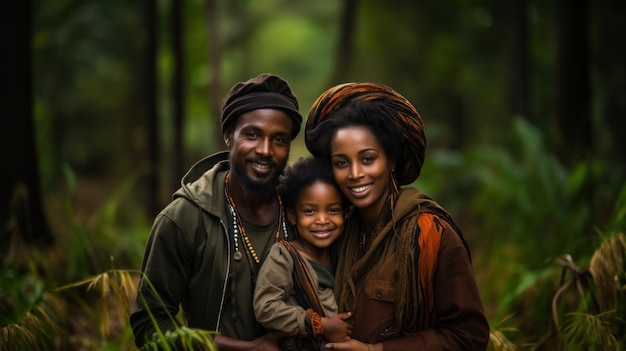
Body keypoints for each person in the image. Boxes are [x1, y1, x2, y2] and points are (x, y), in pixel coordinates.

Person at [304, 82, 490, 351]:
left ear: (391, 160)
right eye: (342, 163)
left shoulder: (430, 234)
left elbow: (469, 336)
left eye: (367, 159)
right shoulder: (334, 230)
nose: (355, 173)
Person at [130, 73, 304, 350]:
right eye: (252, 134)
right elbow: (149, 325)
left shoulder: (306, 213)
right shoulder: (183, 219)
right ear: (228, 136)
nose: (266, 150)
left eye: (279, 139)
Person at [253, 157, 353, 351]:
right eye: (310, 211)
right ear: (292, 215)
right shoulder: (285, 256)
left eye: (333, 210)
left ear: (345, 214)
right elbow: (266, 307)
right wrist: (320, 325)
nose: (322, 220)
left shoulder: (343, 254)